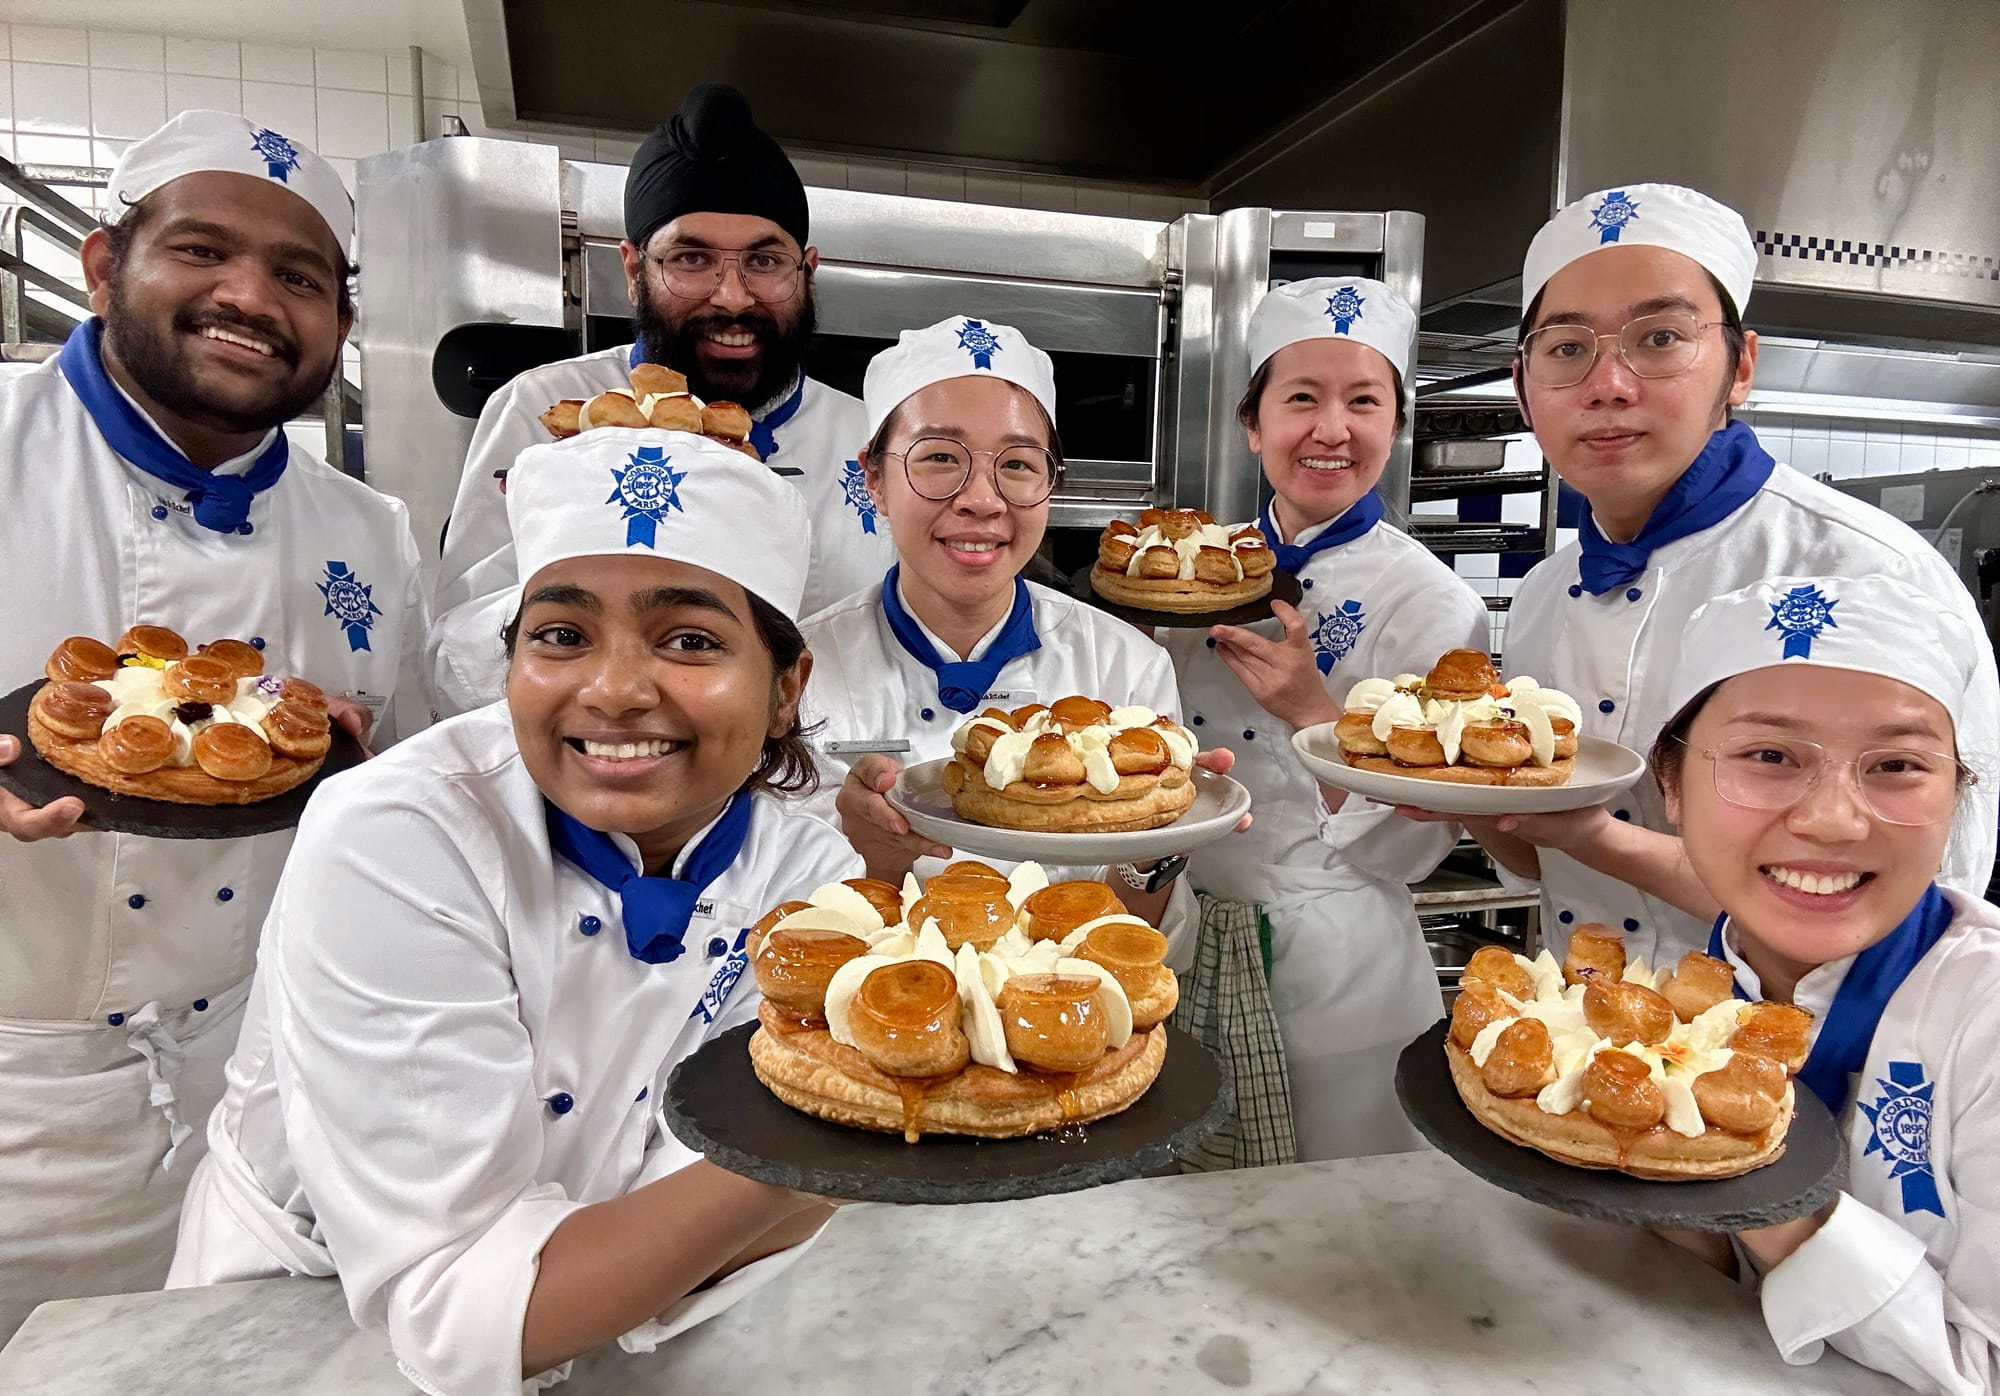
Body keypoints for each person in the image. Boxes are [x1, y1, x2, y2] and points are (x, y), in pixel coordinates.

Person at [172, 430, 855, 1396]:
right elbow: (452, 1299)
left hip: (635, 1327)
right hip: (299, 1336)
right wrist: (833, 1141)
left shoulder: (809, 873)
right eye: (561, 636)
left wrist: (781, 1171)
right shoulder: (399, 833)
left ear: (784, 689)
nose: (615, 690)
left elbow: (731, 1213)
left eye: (690, 640)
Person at [0, 111, 427, 1341]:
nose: (250, 296)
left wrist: (364, 779)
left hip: (263, 1098)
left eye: (298, 276)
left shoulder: (371, 534)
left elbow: (386, 809)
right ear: (102, 266)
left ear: (338, 323)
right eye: (202, 252)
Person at [1418, 183, 2000, 965]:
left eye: (1659, 338)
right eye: (1566, 348)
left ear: (1741, 366)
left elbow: (1918, 917)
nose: (1609, 383)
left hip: (1794, 1058)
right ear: (1525, 389)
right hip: (1575, 1045)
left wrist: (1601, 838)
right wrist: (1454, 790)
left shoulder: (1871, 575)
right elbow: (1538, 861)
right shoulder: (1543, 597)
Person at [1641, 574, 1997, 1396]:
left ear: (1955, 798)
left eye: (1899, 766)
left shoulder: (1984, 1022)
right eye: (1770, 756)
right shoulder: (1678, 1004)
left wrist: (1759, 1195)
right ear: (1671, 785)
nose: (1834, 820)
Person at [429, 82, 889, 715]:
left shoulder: (870, 436)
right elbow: (454, 660)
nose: (732, 296)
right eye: (692, 259)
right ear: (632, 268)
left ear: (807, 271)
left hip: (826, 796)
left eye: (765, 262)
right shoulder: (544, 410)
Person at [1164, 278, 1490, 1159]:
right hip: (1179, 939)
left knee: (1347, 1230)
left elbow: (1416, 850)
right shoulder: (1190, 566)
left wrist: (1316, 714)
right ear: (1253, 423)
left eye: (1363, 401)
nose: (1330, 430)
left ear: (1395, 423)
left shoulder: (1433, 605)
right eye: (1300, 398)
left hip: (1343, 968)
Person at [804, 316, 1230, 940]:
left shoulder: (1125, 667)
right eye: (941, 458)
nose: (982, 499)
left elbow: (1133, 941)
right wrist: (879, 859)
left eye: (1020, 465)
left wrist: (1153, 854)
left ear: (1051, 483)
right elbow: (788, 935)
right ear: (874, 477)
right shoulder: (800, 671)